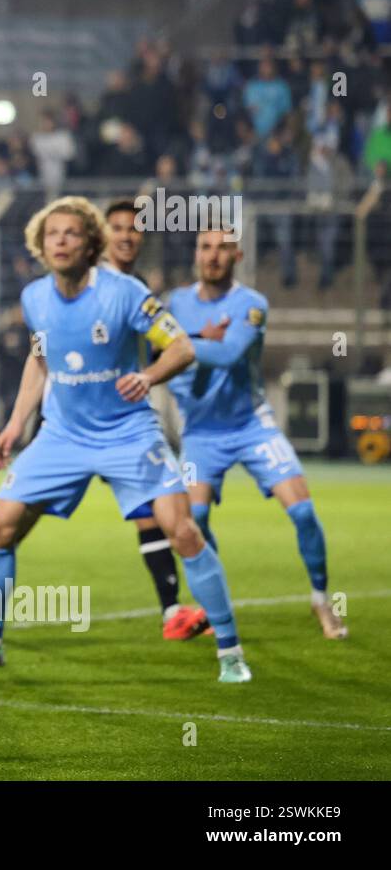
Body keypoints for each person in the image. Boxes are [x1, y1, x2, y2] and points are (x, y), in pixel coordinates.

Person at [0, 196, 252, 684]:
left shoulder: (126, 293)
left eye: (71, 234)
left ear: (91, 244)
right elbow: (40, 360)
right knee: (0, 526)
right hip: (62, 435)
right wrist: (16, 425)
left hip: (128, 432)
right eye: (52, 234)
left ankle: (230, 650)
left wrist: (148, 376)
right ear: (41, 245)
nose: (60, 241)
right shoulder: (35, 297)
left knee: (182, 530)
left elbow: (183, 348)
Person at [167, 229, 347, 640]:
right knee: (192, 519)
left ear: (238, 255)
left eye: (223, 248)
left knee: (302, 511)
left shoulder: (251, 305)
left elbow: (229, 353)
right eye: (206, 247)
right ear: (196, 253)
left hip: (251, 424)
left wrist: (184, 345)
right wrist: (193, 341)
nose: (213, 256)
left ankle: (321, 599)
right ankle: (215, 609)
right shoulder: (177, 304)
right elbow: (157, 352)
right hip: (200, 432)